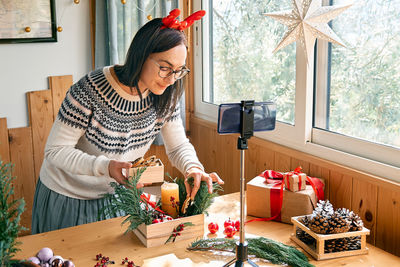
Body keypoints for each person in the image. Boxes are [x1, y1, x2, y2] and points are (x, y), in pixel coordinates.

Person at [31, 9, 224, 234]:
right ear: (141, 56)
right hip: (67, 196)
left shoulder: (166, 94)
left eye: (179, 71)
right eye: (164, 68)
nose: (171, 79)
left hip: (117, 197)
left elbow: (178, 145)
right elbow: (55, 151)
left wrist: (192, 167)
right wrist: (105, 166)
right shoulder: (90, 90)